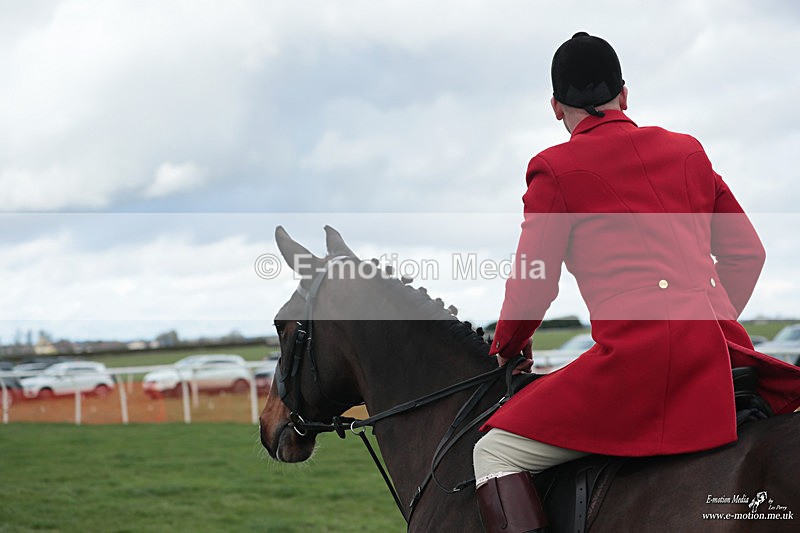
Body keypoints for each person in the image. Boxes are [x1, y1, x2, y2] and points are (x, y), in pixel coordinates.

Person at [472, 32, 800, 533]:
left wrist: (508, 344)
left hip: (637, 369)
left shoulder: (553, 169)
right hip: (723, 359)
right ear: (625, 96)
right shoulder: (688, 151)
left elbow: (534, 282)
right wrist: (704, 325)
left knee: (494, 451)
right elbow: (747, 253)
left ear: (556, 107)